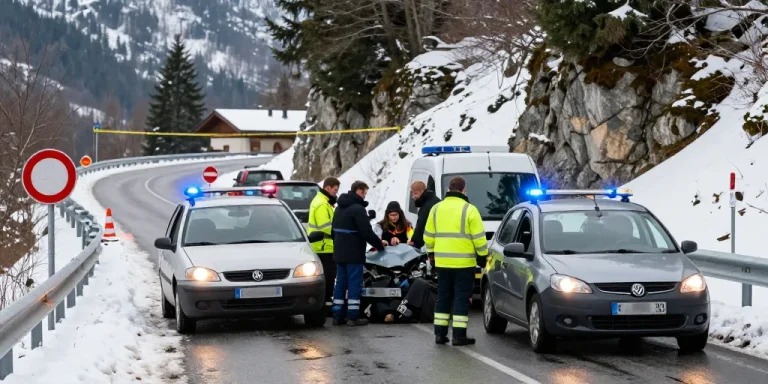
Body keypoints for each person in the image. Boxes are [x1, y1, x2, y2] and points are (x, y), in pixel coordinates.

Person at [424, 176, 488, 346]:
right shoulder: (470, 210)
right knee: (461, 298)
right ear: (463, 190)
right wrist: (482, 257)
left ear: (448, 190)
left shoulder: (436, 209)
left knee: (443, 297)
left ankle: (439, 334)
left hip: (442, 263)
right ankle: (459, 336)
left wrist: (431, 254)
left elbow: (428, 236)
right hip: (464, 264)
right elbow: (479, 239)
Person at [331, 181, 386, 326]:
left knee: (340, 283)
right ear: (358, 191)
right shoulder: (358, 209)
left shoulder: (338, 208)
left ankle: (337, 315)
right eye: (364, 193)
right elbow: (366, 232)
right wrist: (380, 245)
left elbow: (333, 230)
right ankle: (353, 316)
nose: (364, 196)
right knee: (354, 283)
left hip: (339, 252)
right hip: (354, 253)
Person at [309, 177, 340, 313]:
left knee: (328, 275)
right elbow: (326, 227)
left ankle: (326, 302)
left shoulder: (323, 202)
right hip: (323, 246)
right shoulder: (322, 204)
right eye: (335, 190)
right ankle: (326, 304)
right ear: (327, 188)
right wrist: (339, 231)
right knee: (328, 276)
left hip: (322, 245)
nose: (336, 193)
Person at [409, 181, 441, 250]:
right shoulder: (435, 200)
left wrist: (414, 242)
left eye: (415, 193)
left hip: (431, 244)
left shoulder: (426, 207)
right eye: (412, 193)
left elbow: (421, 227)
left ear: (422, 191)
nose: (413, 196)